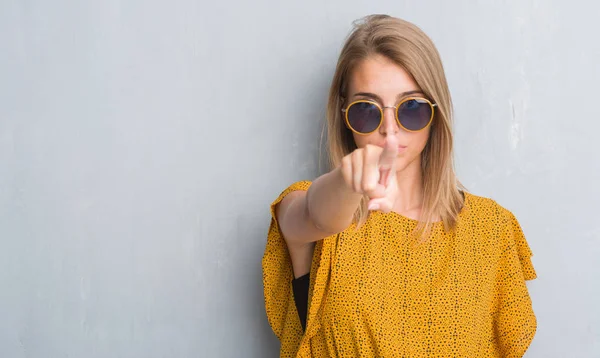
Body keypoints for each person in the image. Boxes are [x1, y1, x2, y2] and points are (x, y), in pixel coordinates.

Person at [262, 14, 537, 357]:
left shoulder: (490, 229)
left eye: (412, 109)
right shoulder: (307, 207)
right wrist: (351, 181)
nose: (390, 131)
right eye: (367, 110)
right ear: (344, 114)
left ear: (436, 112)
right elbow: (316, 217)